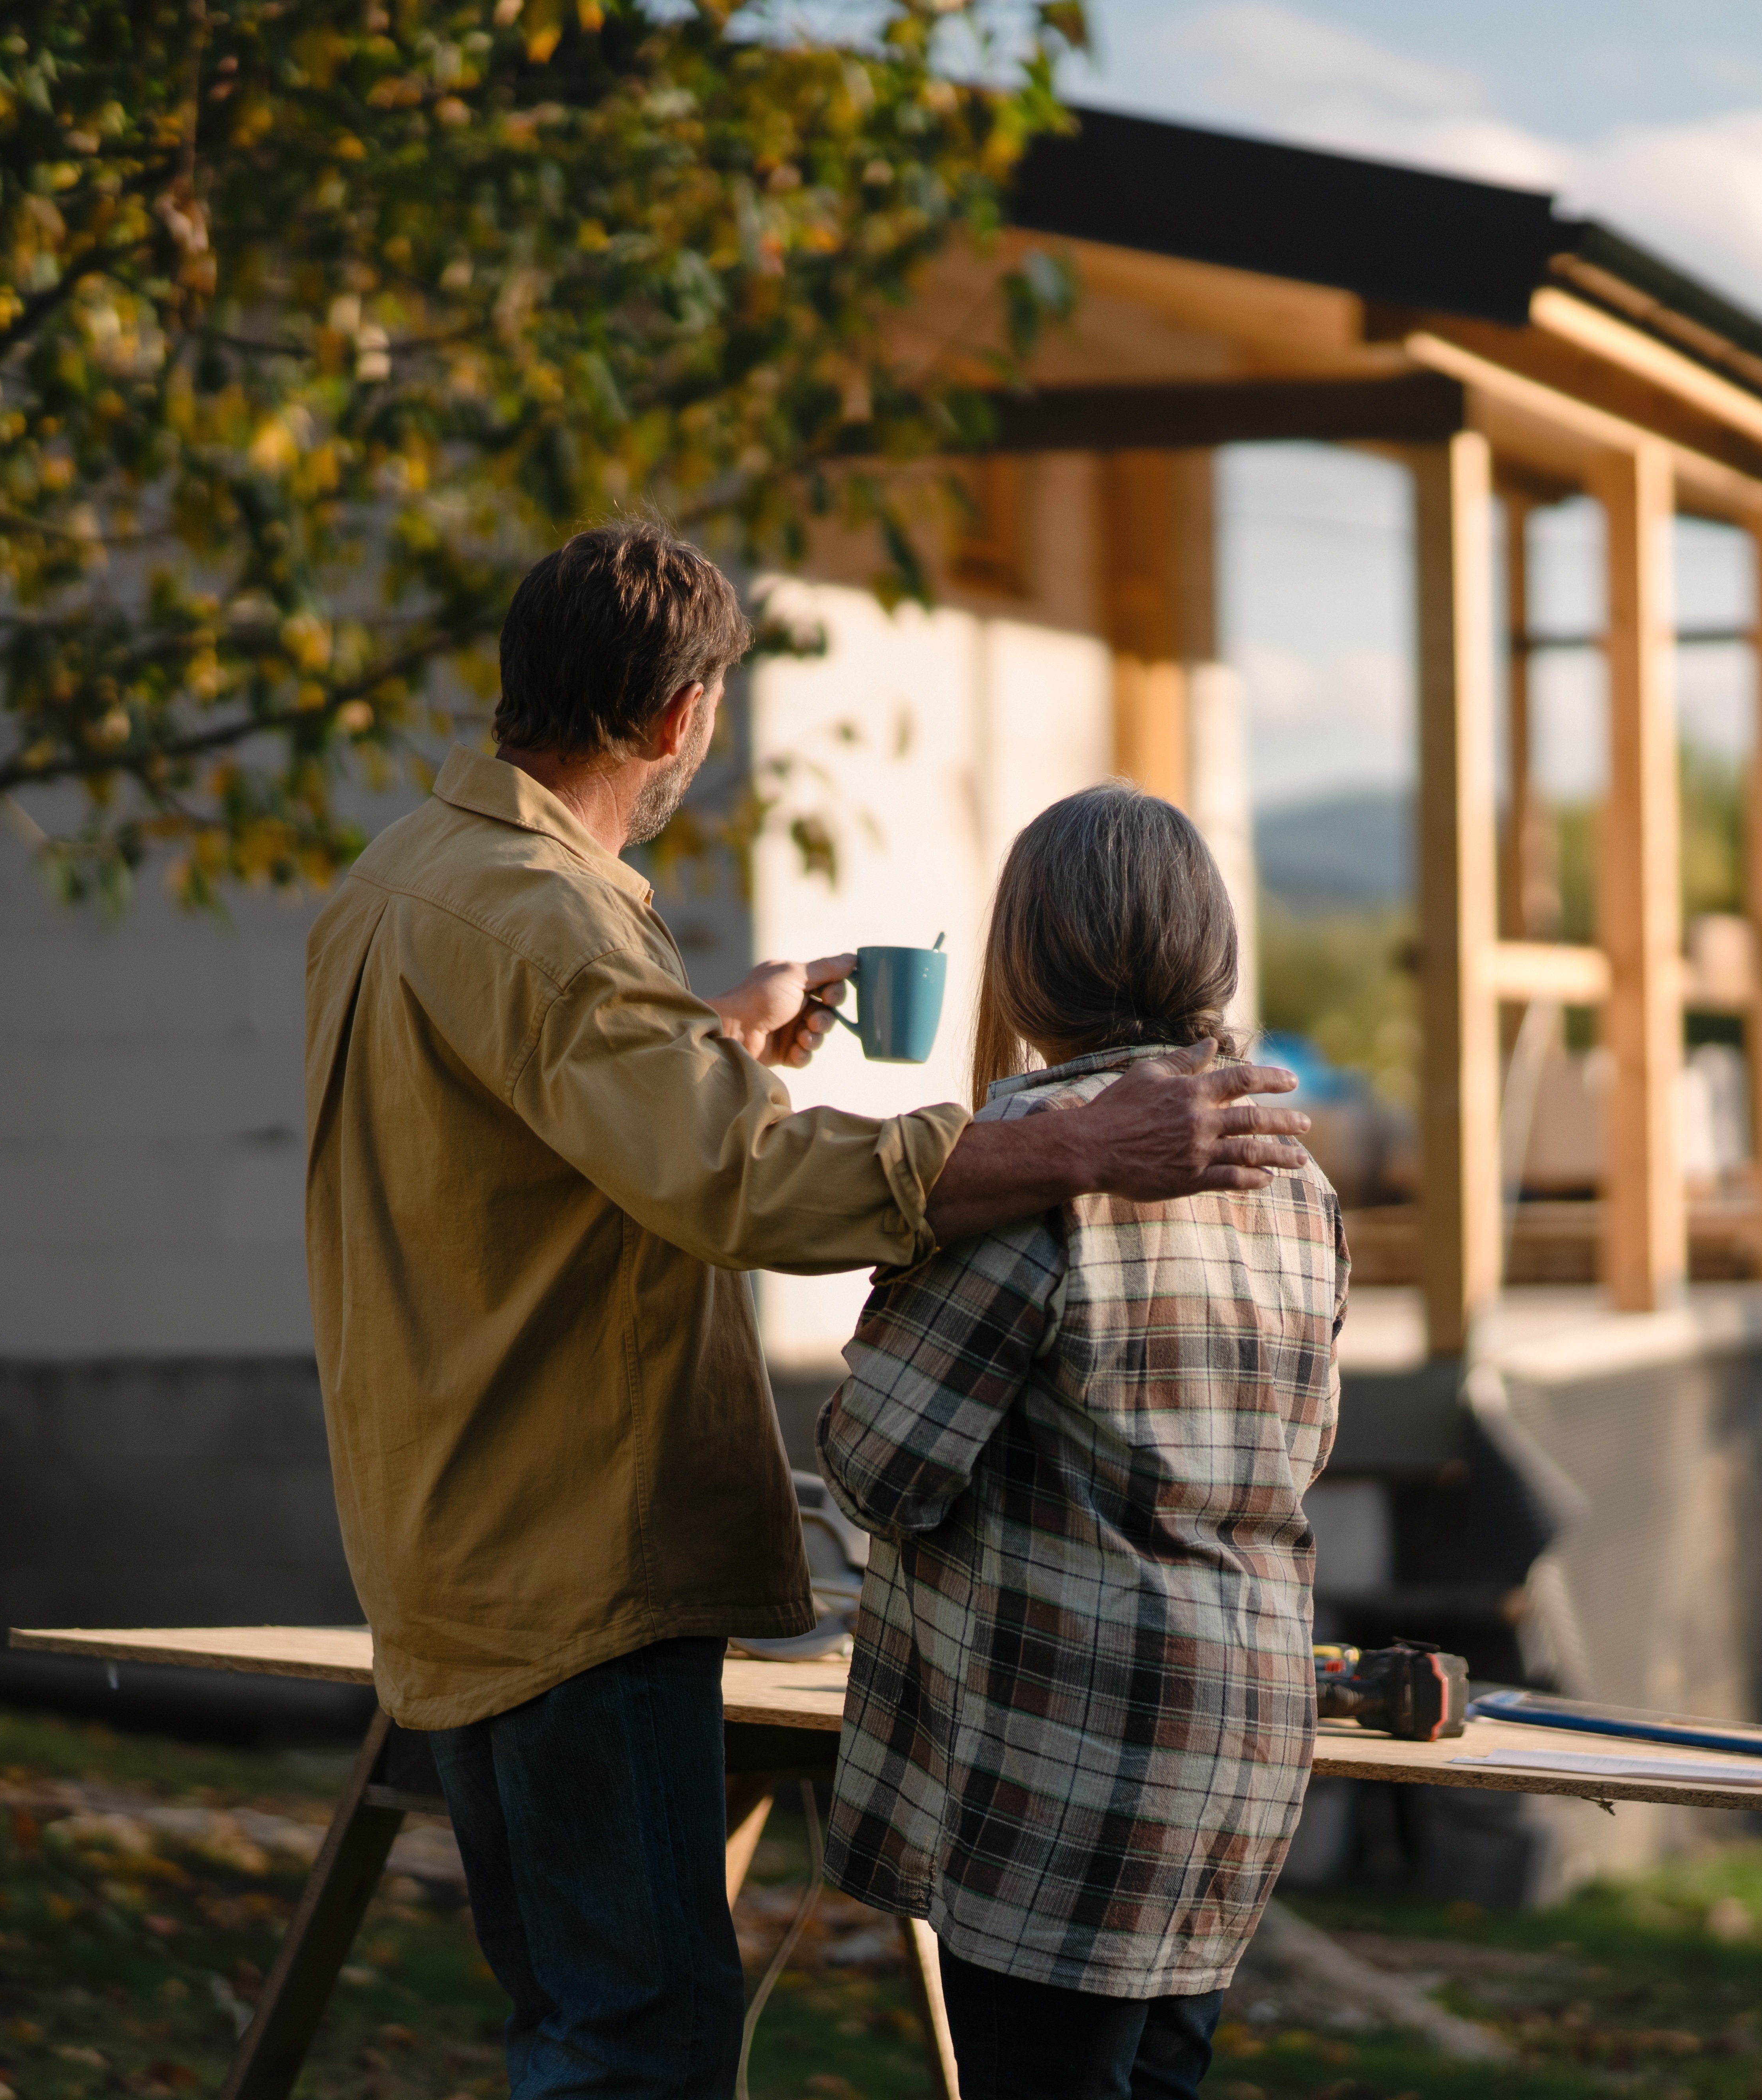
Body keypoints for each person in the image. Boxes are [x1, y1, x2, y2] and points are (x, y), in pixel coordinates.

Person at [301, 519, 1311, 2100]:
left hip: (452, 1534)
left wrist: (710, 1042)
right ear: (678, 722)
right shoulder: (550, 923)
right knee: (637, 2039)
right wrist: (1066, 1149)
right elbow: (744, 1194)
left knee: (579, 2016)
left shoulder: (403, 883)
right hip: (574, 1558)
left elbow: (513, 1131)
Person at [815, 785, 1349, 2100]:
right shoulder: (1296, 1174)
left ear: (1028, 961)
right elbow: (1295, 1454)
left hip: (1068, 1751)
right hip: (1240, 1740)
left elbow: (879, 1465)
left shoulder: (1039, 1168)